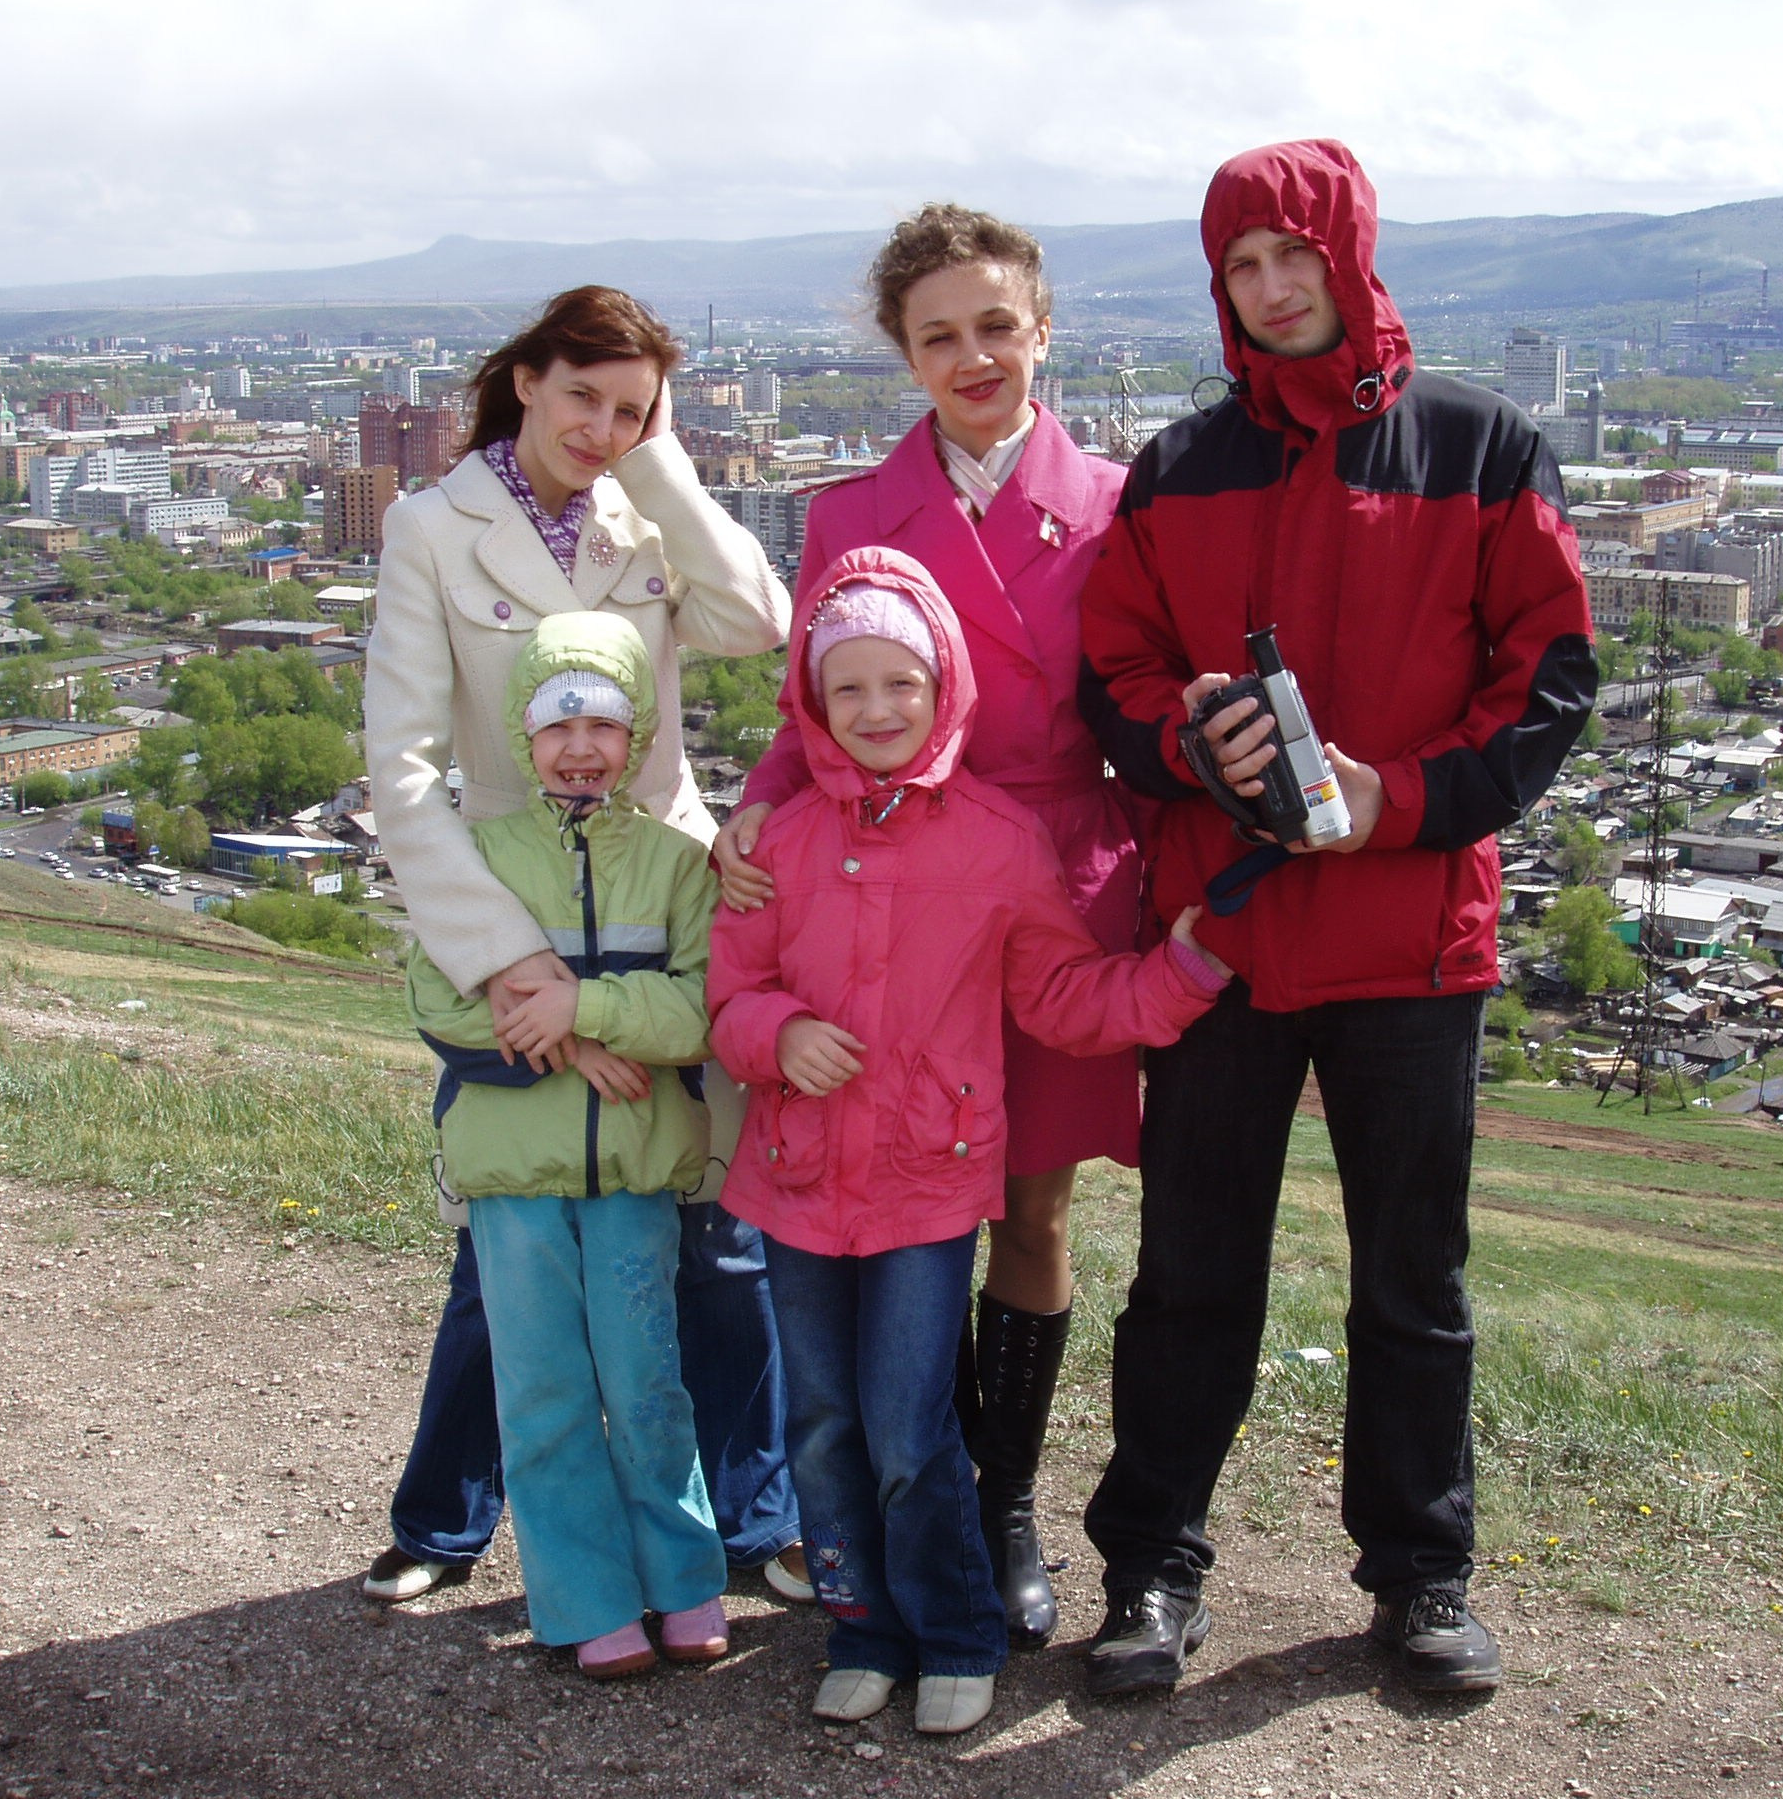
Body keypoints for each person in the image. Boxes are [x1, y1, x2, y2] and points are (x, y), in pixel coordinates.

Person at [1074, 140, 1597, 1696]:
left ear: (1352, 256)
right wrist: (1189, 744)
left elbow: (1552, 683)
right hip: (1227, 942)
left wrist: (1406, 800)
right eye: (1242, 265)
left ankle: (1422, 1578)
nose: (1273, 286)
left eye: (1295, 255)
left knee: (1411, 1280)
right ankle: (1152, 1567)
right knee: (1189, 1272)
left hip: (1411, 940)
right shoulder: (1177, 470)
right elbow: (1114, 672)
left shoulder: (1484, 450)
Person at [706, 548, 1231, 1736]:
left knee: (907, 1426)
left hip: (926, 1189)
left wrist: (1177, 977)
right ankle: (862, 1626)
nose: (878, 711)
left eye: (903, 683)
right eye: (848, 690)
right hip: (793, 1184)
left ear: (946, 688)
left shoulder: (996, 841)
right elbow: (729, 997)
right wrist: (775, 1035)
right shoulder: (780, 843)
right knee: (822, 1429)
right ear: (810, 703)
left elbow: (1059, 997)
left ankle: (952, 1629)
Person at [713, 205, 1133, 1647]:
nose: (972, 357)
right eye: (937, 334)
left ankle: (996, 1500)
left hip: (1049, 882)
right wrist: (755, 812)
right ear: (903, 351)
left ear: (1044, 329)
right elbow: (812, 703)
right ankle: (908, 1508)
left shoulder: (1124, 501)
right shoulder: (844, 513)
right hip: (883, 888)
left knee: (1028, 1203)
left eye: (995, 326)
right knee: (894, 1202)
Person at [363, 285, 808, 1608]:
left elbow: (757, 620)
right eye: (582, 399)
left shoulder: (643, 515)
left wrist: (660, 460)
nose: (600, 429)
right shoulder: (432, 529)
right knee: (511, 1239)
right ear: (524, 382)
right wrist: (508, 965)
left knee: (715, 1232)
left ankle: (750, 1520)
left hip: (662, 895)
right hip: (514, 898)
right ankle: (442, 1523)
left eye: (631, 407)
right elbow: (402, 770)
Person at [406, 610, 729, 1676]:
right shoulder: (479, 859)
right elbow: (437, 1000)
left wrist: (579, 1009)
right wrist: (573, 1045)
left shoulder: (678, 865)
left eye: (603, 723)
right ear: (521, 733)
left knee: (648, 1383)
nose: (580, 746)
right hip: (513, 1176)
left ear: (636, 738)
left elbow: (699, 1012)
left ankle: (681, 1583)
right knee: (541, 1391)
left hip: (636, 1168)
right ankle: (583, 1599)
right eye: (557, 723)